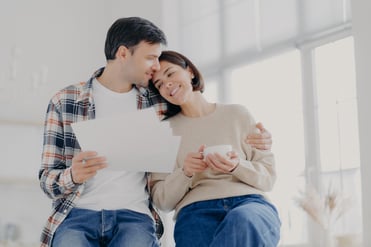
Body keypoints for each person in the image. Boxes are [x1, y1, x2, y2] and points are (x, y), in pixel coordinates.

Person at [38, 17, 273, 247]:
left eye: (159, 61)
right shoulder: (65, 101)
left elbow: (198, 109)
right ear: (122, 54)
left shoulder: (157, 102)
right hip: (78, 214)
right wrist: (73, 175)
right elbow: (47, 180)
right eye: (150, 58)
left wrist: (260, 138)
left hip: (134, 215)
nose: (156, 67)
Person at [149, 50, 281, 247]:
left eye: (170, 73)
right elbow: (161, 200)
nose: (167, 84)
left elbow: (268, 178)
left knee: (242, 221)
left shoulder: (238, 115)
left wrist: (237, 166)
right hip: (195, 211)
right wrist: (185, 172)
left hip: (249, 203)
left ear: (190, 72)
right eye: (159, 84)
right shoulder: (164, 133)